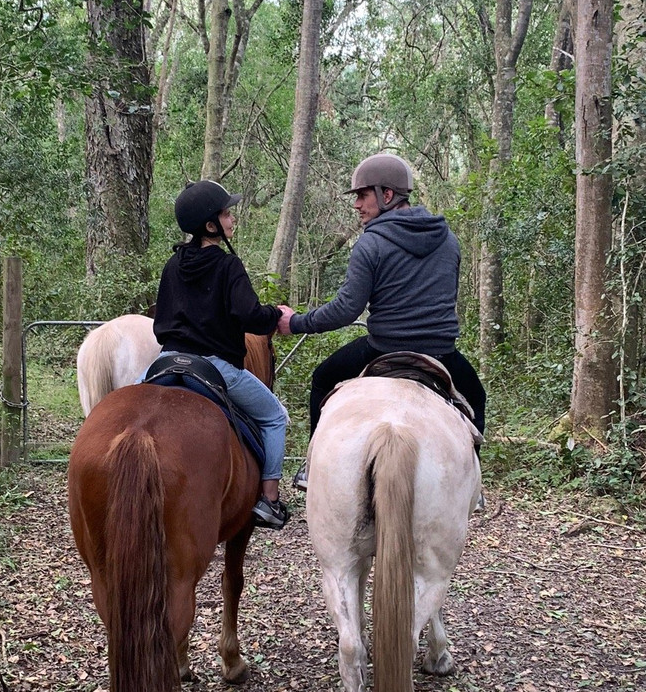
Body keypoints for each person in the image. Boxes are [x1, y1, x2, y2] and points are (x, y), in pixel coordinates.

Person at [277, 153, 486, 495]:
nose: (357, 204)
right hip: (442, 354)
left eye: (362, 195)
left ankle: (313, 467)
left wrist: (295, 322)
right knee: (475, 396)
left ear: (387, 195)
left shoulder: (370, 244)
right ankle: (473, 486)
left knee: (322, 378)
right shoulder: (448, 239)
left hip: (384, 348)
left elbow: (346, 309)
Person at [154, 180, 291, 530]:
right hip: (212, 367)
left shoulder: (172, 265)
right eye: (227, 214)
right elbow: (249, 317)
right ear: (211, 225)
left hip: (164, 362)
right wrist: (276, 315)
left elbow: (160, 324)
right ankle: (270, 500)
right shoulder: (229, 266)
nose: (232, 219)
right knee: (275, 416)